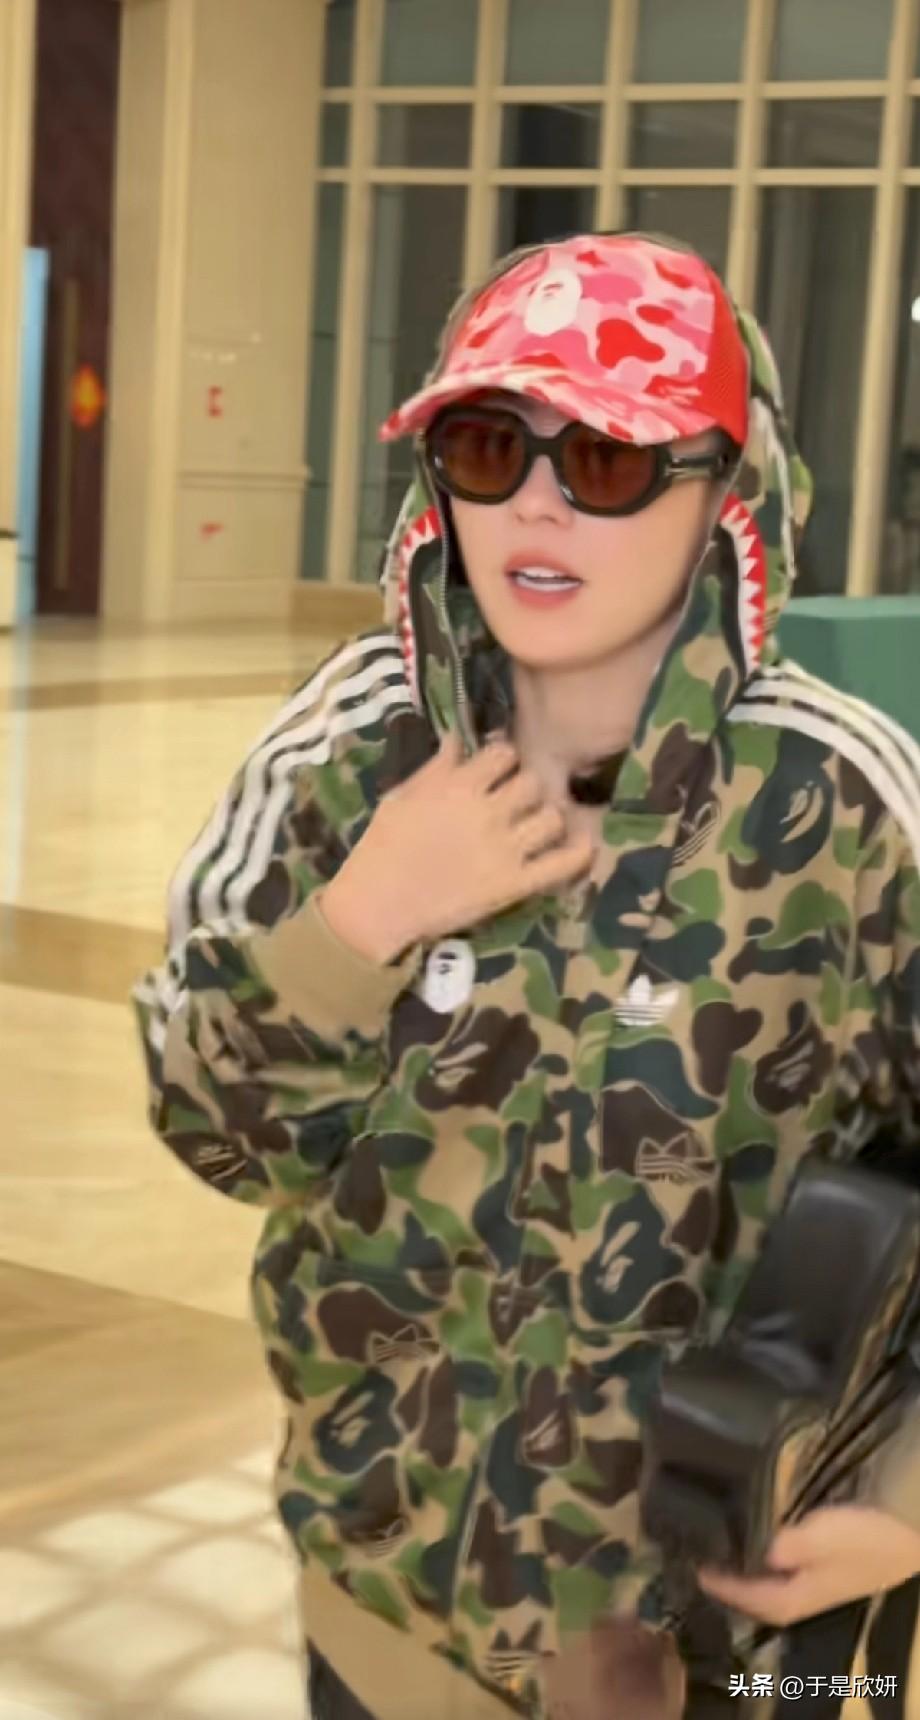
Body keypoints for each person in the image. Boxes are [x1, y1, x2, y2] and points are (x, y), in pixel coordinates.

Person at [132, 231, 920, 1719]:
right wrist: (364, 918)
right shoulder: (345, 754)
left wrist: (909, 1494)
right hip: (392, 1631)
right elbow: (215, 1131)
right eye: (491, 448)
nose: (536, 506)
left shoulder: (847, 807)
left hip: (747, 1653)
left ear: (729, 495)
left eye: (607, 460)